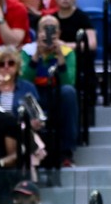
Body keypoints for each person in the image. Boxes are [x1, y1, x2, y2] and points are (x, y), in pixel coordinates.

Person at [19, 14, 78, 166]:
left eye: (52, 30)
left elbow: (68, 81)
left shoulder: (67, 52)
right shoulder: (28, 51)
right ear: (37, 33)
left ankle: (66, 151)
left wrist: (59, 56)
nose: (48, 34)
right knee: (24, 93)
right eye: (44, 30)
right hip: (35, 93)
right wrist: (37, 55)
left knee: (69, 92)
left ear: (58, 34)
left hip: (56, 94)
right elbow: (24, 80)